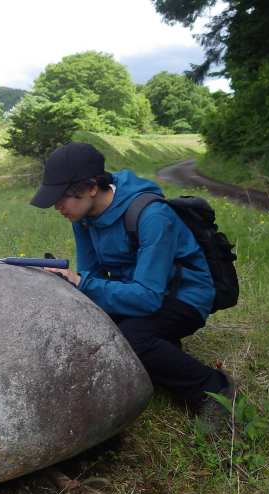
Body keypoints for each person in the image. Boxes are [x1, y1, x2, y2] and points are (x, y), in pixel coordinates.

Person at [30, 142, 234, 434]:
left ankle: (213, 388)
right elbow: (92, 274)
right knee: (93, 325)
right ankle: (163, 351)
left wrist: (81, 282)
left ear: (90, 187)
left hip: (184, 296)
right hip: (136, 291)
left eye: (62, 197)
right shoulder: (83, 219)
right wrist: (69, 283)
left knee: (131, 339)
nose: (57, 206)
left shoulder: (151, 215)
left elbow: (149, 298)